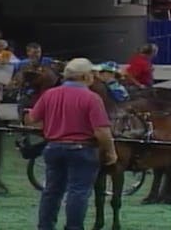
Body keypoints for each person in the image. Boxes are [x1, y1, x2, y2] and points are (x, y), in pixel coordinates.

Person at [25, 58, 117, 230]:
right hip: (81, 149)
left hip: (53, 147)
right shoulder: (92, 98)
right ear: (84, 76)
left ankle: (45, 226)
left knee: (51, 191)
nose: (93, 76)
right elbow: (101, 131)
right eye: (92, 73)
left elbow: (33, 119)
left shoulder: (50, 94)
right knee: (78, 192)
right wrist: (110, 151)